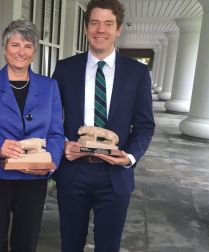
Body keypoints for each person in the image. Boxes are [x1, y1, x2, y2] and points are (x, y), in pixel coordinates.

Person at [52, 0, 155, 251]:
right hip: (73, 171)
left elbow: (144, 125)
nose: (101, 29)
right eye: (95, 23)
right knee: (70, 244)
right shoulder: (65, 68)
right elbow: (52, 117)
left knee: (109, 246)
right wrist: (63, 145)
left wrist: (129, 156)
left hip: (115, 176)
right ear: (86, 28)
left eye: (108, 23)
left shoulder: (137, 73)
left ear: (118, 29)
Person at [0, 19, 64, 252]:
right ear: (5, 49)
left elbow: (56, 132)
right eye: (15, 45)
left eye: (27, 46)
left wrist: (48, 163)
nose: (21, 52)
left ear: (34, 52)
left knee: (27, 241)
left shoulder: (50, 86)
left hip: (34, 180)